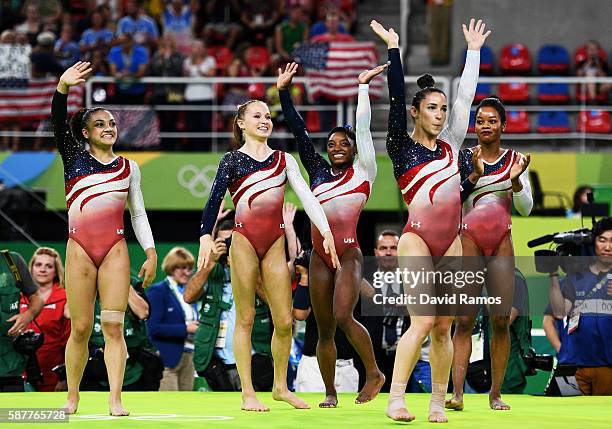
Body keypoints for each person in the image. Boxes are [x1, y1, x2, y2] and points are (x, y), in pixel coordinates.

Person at [370, 18, 488, 422]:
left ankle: (438, 402)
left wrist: (473, 51)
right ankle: (396, 398)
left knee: (443, 327)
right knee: (421, 321)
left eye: (442, 109)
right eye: (432, 109)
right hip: (417, 240)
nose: (440, 115)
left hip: (451, 242)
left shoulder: (452, 146)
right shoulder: (400, 147)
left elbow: (466, 99)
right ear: (417, 112)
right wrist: (393, 48)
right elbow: (395, 96)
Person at [197, 97, 340, 411]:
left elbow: (307, 195)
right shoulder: (231, 160)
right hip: (245, 240)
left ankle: (280, 387)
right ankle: (248, 392)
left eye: (267, 116)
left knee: (285, 321)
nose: (264, 120)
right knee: (245, 318)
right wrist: (206, 235)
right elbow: (213, 200)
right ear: (242, 123)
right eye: (256, 116)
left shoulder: (283, 160)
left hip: (274, 242)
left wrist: (326, 230)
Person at [51, 61, 157, 415]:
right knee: (80, 328)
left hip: (114, 249)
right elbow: (56, 123)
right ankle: (72, 396)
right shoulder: (73, 160)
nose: (109, 128)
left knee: (114, 325)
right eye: (100, 124)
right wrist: (62, 88)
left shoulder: (129, 167)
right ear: (84, 133)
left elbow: (138, 214)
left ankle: (115, 398)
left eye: (112, 123)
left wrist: (151, 251)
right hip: (79, 248)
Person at [278, 62, 385, 407]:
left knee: (343, 316)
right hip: (318, 257)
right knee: (323, 330)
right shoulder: (318, 172)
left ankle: (374, 373)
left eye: (344, 143)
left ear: (354, 150)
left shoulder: (364, 172)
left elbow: (365, 129)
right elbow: (299, 133)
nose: (337, 146)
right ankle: (330, 392)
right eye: (332, 143)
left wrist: (363, 88)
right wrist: (283, 92)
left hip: (350, 254)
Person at [446, 95, 532, 411]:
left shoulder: (516, 160)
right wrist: (474, 176)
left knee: (499, 320)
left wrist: (517, 181)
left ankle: (495, 394)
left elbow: (526, 209)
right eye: (480, 120)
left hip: (501, 244)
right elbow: (452, 200)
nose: (485, 125)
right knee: (465, 319)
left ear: (503, 126)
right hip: (468, 241)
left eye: (491, 121)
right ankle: (457, 394)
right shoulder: (463, 159)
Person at [186, 219, 273, 391]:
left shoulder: (258, 264)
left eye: (232, 241)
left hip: (254, 360)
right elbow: (188, 296)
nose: (227, 246)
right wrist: (209, 264)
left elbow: (273, 302)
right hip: (219, 361)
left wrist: (245, 266)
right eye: (223, 242)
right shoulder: (211, 267)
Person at [548, 217, 612, 395]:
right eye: (602, 240)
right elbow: (560, 313)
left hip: (608, 367)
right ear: (594, 243)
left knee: (604, 420)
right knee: (568, 419)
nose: (607, 247)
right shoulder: (575, 276)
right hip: (572, 367)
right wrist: (552, 273)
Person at [293, 250, 360, 396]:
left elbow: (370, 292)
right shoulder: (315, 280)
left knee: (348, 416)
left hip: (346, 365)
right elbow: (299, 314)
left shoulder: (350, 272)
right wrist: (306, 274)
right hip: (314, 366)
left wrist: (344, 270)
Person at [84, 277, 162, 391]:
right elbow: (68, 312)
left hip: (133, 368)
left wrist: (123, 281)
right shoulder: (87, 281)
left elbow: (143, 312)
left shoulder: (132, 283)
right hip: (95, 369)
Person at [146, 247, 199, 391]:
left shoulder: (190, 292)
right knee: (169, 406)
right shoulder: (158, 291)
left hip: (190, 356)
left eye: (189, 268)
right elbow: (153, 328)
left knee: (186, 406)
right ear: (171, 267)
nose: (187, 272)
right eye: (182, 268)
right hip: (167, 358)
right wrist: (186, 329)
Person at [19, 247, 70, 392]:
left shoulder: (66, 298)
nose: (43, 270)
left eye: (49, 266)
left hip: (54, 377)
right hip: (20, 374)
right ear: (31, 268)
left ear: (56, 271)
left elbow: (70, 341)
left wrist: (66, 378)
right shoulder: (18, 296)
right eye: (38, 265)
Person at [0, 250, 44, 388]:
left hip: (10, 366)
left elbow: (36, 297)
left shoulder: (12, 261)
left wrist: (28, 315)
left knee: (12, 409)